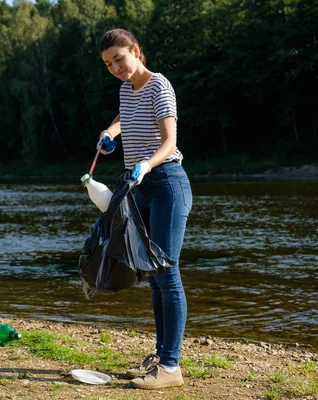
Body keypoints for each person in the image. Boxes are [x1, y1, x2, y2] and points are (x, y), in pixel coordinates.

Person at [97, 28, 193, 390]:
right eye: (108, 64)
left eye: (119, 58)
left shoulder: (159, 85)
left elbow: (170, 141)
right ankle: (161, 358)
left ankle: (171, 367)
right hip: (140, 189)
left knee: (166, 272)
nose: (116, 68)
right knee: (152, 274)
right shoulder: (126, 89)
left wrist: (146, 164)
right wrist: (110, 133)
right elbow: (125, 120)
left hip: (167, 182)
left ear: (136, 51)